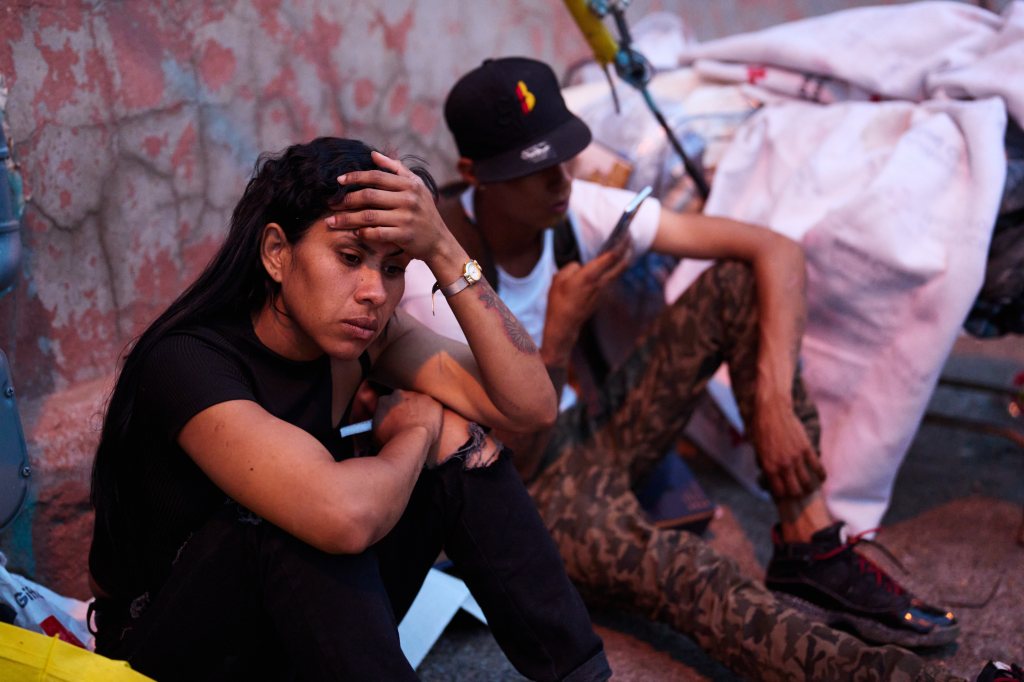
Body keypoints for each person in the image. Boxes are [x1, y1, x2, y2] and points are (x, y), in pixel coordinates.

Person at [401, 57, 966, 681]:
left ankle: (810, 544)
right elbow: (506, 451)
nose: (560, 182)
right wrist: (558, 336)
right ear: (474, 174)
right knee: (694, 572)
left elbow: (772, 250)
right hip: (524, 484)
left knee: (735, 285)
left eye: (563, 156)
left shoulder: (569, 209)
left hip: (588, 433)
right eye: (534, 171)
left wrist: (774, 399)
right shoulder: (435, 277)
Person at [86, 137, 611, 681]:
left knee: (459, 440)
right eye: (350, 258)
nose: (374, 294)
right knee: (297, 512)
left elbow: (532, 406)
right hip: (165, 656)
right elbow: (342, 518)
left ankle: (579, 675)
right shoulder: (187, 363)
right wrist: (416, 430)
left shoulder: (364, 341)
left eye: (392, 268)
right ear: (276, 253)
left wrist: (446, 252)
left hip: (291, 634)